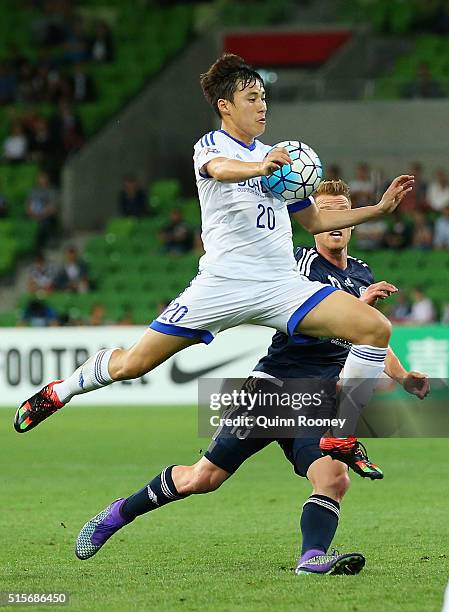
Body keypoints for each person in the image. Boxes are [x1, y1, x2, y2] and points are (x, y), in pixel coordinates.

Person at [15, 53, 413, 487]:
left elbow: (315, 221)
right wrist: (259, 168)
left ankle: (339, 433)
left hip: (281, 284)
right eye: (251, 98)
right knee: (133, 364)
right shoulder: (213, 147)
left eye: (264, 97)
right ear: (226, 105)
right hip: (222, 285)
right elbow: (219, 170)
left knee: (374, 328)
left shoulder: (278, 158)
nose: (262, 106)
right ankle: (61, 391)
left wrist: (377, 209)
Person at [74, 180, 429, 570]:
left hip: (320, 400)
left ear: (350, 223)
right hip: (274, 390)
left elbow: (371, 336)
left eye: (340, 212)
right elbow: (312, 317)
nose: (333, 222)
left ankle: (311, 558)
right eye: (323, 213)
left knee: (333, 478)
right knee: (203, 478)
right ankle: (117, 514)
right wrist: (355, 306)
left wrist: (402, 376)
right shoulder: (295, 264)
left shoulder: (361, 272)